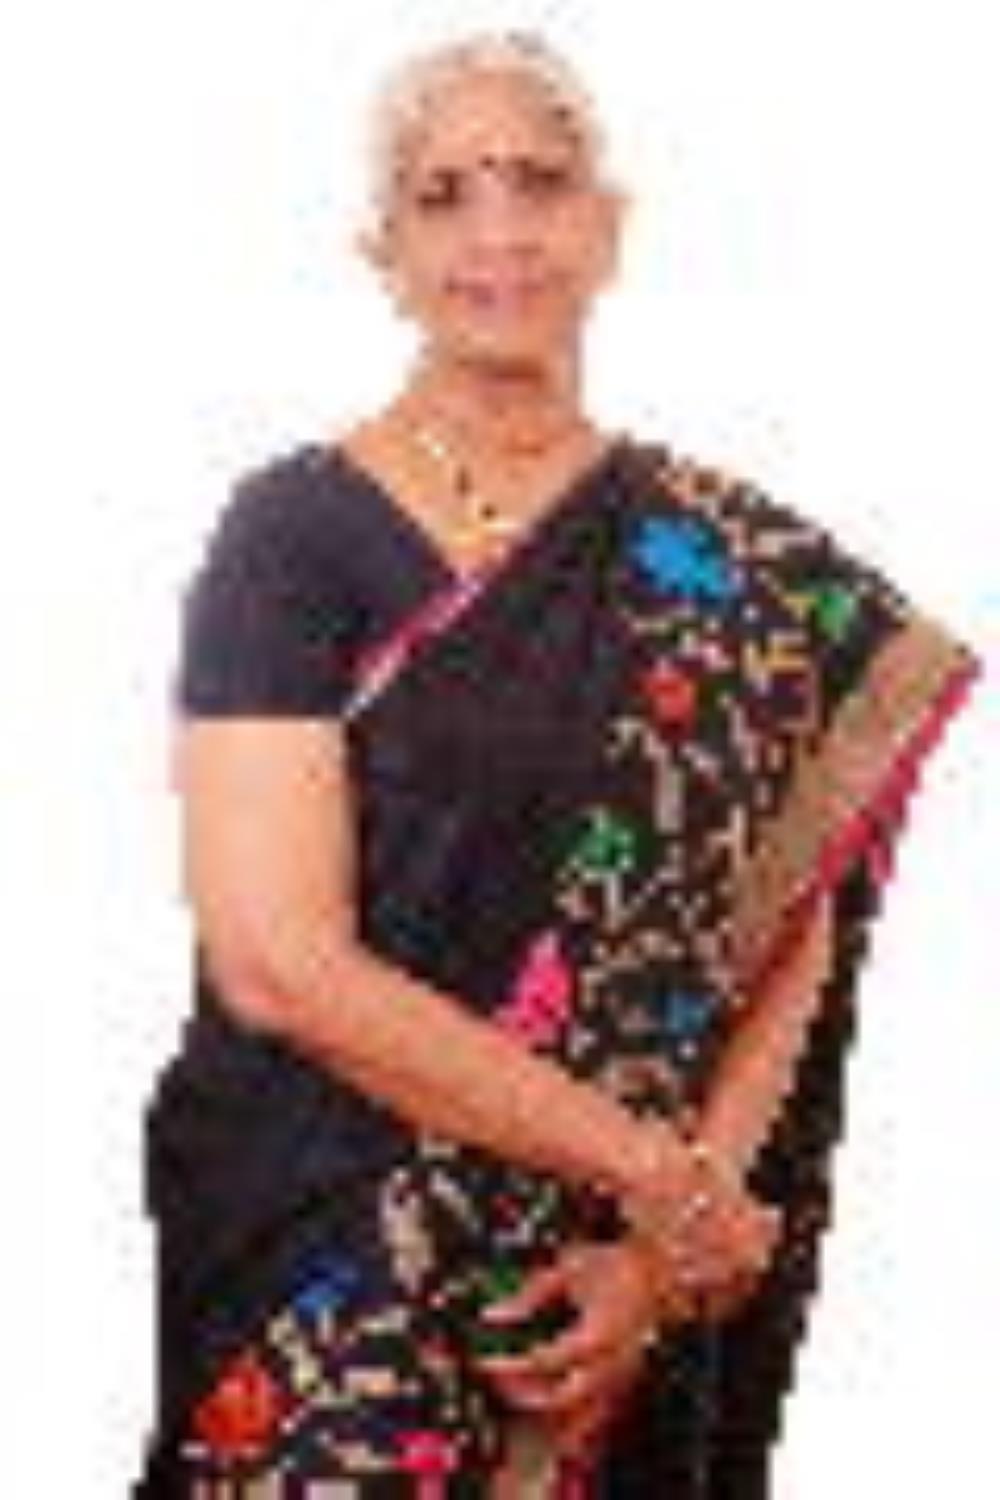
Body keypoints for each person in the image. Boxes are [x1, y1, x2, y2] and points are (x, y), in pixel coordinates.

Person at [138, 28, 982, 1498]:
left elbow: (797, 904)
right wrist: (659, 1175)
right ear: (385, 253)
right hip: (328, 1235)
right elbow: (276, 962)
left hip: (609, 1263)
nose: (500, 230)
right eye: (443, 193)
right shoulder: (294, 536)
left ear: (609, 223)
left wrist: (662, 1248)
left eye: (540, 181)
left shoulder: (731, 564)